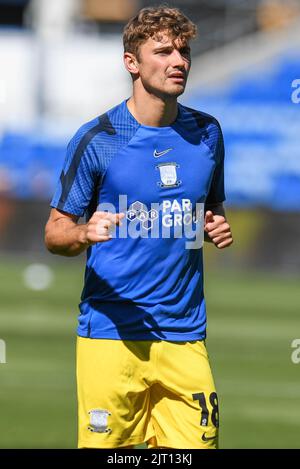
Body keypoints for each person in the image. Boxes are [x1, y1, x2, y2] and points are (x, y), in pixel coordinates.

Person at [45, 5, 233, 450]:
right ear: (132, 62)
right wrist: (83, 233)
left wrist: (212, 226)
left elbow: (208, 210)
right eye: (164, 51)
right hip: (111, 337)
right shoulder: (98, 139)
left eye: (184, 51)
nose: (179, 61)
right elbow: (54, 233)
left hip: (185, 335)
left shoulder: (208, 133)